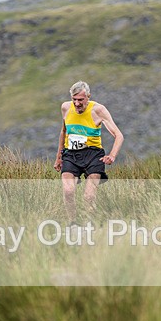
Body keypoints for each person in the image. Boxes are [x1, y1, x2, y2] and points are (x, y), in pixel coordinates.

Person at [54, 81, 124, 225]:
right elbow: (64, 131)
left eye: (80, 100)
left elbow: (119, 135)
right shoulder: (65, 107)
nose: (77, 103)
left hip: (93, 155)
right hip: (71, 154)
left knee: (89, 196)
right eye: (74, 99)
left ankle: (89, 224)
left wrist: (112, 156)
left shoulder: (98, 110)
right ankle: (73, 223)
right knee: (68, 191)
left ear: (88, 97)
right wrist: (58, 157)